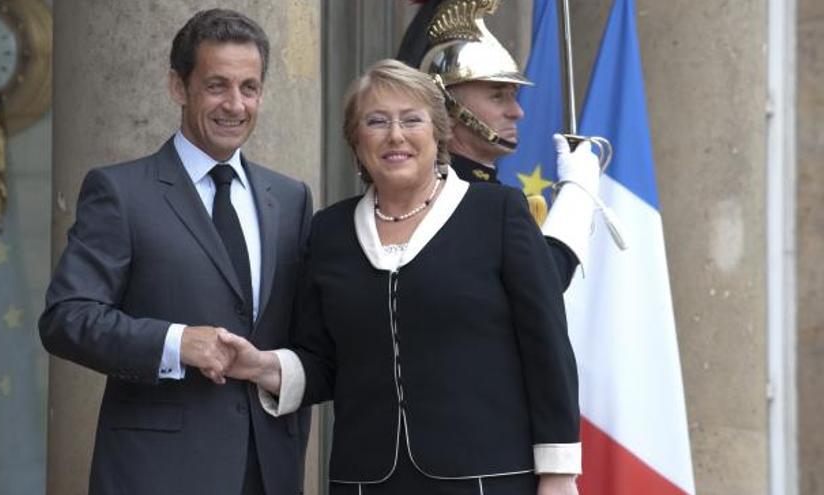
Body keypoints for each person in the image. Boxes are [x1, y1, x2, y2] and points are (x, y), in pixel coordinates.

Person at [221, 59, 580, 495]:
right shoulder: (329, 231)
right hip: (365, 482)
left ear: (439, 132)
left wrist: (559, 474)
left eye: (412, 119)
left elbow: (547, 347)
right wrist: (263, 366)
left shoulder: (498, 213)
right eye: (376, 121)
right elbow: (322, 362)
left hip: (488, 478)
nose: (396, 135)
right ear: (356, 140)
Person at [38, 9, 311, 495]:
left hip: (268, 470)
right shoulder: (120, 192)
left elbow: (304, 334)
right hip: (156, 473)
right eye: (216, 86)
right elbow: (67, 317)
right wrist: (175, 343)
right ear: (178, 87)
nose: (235, 104)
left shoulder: (290, 199)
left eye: (249, 87)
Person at [404, 0, 602, 290]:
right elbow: (544, 281)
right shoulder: (457, 196)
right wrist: (577, 194)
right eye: (498, 97)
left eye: (513, 95)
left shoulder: (482, 191)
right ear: (446, 108)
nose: (517, 111)